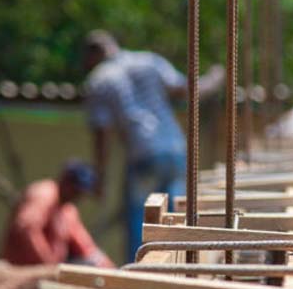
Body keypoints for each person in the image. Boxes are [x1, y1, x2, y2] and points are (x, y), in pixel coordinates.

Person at [82, 30, 223, 263]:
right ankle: (182, 272)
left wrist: (100, 177)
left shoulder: (99, 80)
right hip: (176, 149)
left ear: (92, 56)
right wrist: (216, 78)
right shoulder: (148, 61)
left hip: (143, 155)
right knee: (175, 218)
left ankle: (141, 278)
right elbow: (187, 89)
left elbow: (102, 135)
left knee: (142, 226)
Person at [0, 160, 114, 268]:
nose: (77, 196)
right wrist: (49, 266)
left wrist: (115, 272)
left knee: (89, 264)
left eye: (80, 192)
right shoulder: (45, 194)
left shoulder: (68, 211)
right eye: (75, 189)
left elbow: (88, 249)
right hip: (23, 271)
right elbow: (26, 228)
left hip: (50, 271)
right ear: (64, 180)